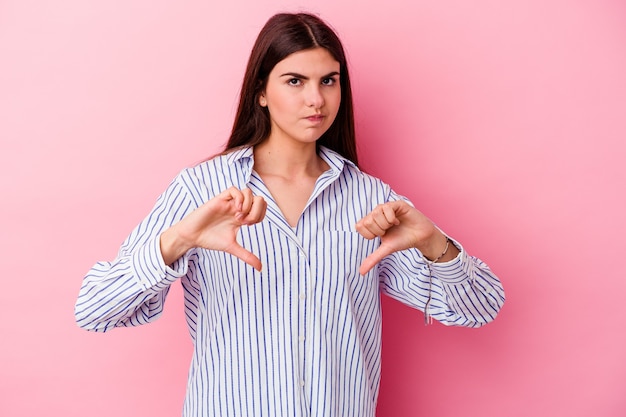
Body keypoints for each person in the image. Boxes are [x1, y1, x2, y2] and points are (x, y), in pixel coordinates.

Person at [75, 12, 505, 417]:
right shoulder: (200, 190)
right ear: (261, 91)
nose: (315, 99)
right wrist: (176, 242)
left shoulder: (372, 202)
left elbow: (481, 308)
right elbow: (94, 309)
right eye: (295, 81)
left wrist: (435, 244)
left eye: (329, 81)